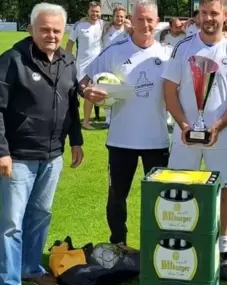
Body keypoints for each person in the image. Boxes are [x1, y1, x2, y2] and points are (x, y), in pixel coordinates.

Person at [0, 2, 84, 285]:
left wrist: (76, 141)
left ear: (63, 31)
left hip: (52, 155)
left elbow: (72, 105)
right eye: (44, 29)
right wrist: (1, 152)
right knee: (12, 223)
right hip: (18, 157)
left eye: (56, 30)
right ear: (31, 30)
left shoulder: (68, 61)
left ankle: (31, 268)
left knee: (40, 215)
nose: (51, 35)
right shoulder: (11, 60)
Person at [162, 0, 227, 281]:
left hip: (220, 136)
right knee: (179, 190)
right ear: (197, 16)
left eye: (215, 13)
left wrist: (218, 126)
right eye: (204, 13)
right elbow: (169, 91)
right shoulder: (182, 47)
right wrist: (184, 125)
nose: (209, 18)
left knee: (222, 190)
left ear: (224, 16)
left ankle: (225, 251)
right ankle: (180, 244)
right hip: (184, 136)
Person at [81, 0, 171, 246]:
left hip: (157, 140)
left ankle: (159, 246)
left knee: (161, 198)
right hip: (121, 140)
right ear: (132, 20)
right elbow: (84, 81)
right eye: (140, 19)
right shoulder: (115, 51)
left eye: (150, 20)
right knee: (117, 196)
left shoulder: (166, 54)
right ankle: (118, 243)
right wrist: (87, 92)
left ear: (157, 21)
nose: (145, 24)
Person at [65, 1, 105, 129]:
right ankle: (67, 120)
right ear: (88, 11)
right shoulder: (79, 25)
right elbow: (69, 44)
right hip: (80, 67)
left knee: (90, 95)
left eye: (97, 12)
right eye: (92, 11)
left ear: (101, 12)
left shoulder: (103, 25)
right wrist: (66, 62)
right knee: (72, 96)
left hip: (95, 68)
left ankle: (86, 122)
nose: (95, 14)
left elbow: (119, 25)